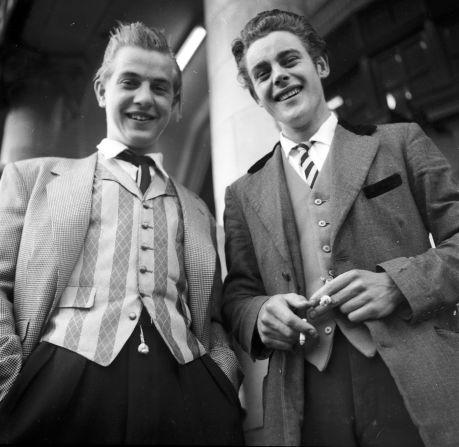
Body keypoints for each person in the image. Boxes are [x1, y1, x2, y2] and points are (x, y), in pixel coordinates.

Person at [222, 8, 459, 447]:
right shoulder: (241, 194)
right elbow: (237, 295)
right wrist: (259, 316)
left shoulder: (399, 142)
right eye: (263, 72)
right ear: (256, 95)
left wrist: (399, 284)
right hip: (303, 395)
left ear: (321, 65)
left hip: (414, 374)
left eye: (290, 60)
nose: (279, 76)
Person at [0, 22, 244, 445]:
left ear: (177, 104)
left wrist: (221, 379)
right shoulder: (30, 178)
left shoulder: (198, 208)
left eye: (160, 88)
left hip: (187, 393)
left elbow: (213, 315)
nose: (144, 98)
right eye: (129, 82)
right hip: (59, 386)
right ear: (101, 90)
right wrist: (9, 381)